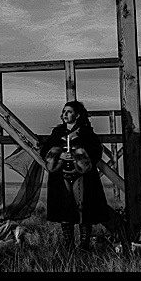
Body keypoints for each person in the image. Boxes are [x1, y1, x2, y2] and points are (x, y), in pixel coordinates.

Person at [40, 99, 110, 251]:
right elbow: (44, 151)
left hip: (82, 176)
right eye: (64, 112)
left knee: (84, 209)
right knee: (65, 208)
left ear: (77, 115)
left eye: (69, 111)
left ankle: (84, 247)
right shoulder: (57, 133)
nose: (65, 114)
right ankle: (68, 246)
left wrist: (78, 156)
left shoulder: (87, 133)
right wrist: (59, 156)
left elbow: (96, 152)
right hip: (61, 175)